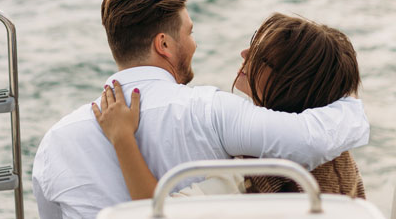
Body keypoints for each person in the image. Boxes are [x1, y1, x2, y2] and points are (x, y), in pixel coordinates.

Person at [32, 0, 369, 219]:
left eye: (260, 54)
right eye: (190, 32)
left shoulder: (55, 140)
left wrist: (124, 139)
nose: (194, 43)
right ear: (163, 45)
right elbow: (310, 137)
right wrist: (352, 109)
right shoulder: (218, 114)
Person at [93, 13, 366, 199]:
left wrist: (122, 138)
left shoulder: (255, 169)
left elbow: (157, 211)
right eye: (252, 44)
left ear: (290, 81)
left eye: (262, 54)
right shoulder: (338, 155)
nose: (245, 53)